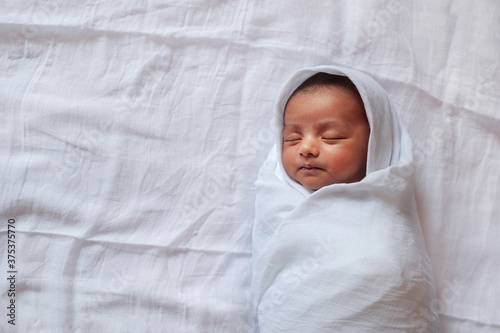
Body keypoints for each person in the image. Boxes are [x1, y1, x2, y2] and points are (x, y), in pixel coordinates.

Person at [251, 66, 440, 332]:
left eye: (331, 137)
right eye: (292, 138)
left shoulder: (388, 218)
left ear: (377, 142)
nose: (306, 148)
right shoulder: (276, 200)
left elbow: (401, 283)